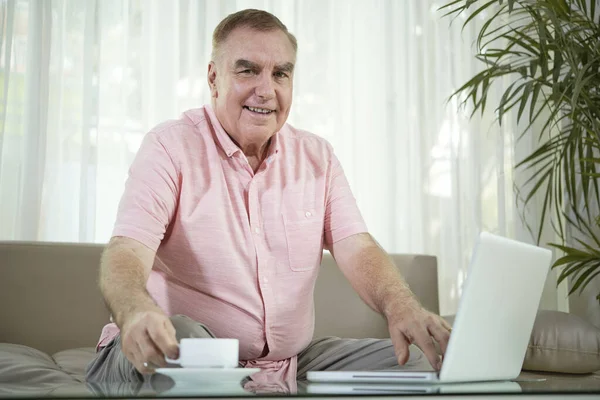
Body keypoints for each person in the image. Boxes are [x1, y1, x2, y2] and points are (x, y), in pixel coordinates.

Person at [86, 8, 451, 384]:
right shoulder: (169, 147)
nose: (267, 89)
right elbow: (127, 250)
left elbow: (357, 247)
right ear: (213, 78)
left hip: (287, 362)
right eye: (248, 70)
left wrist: (401, 306)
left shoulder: (317, 157)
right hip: (166, 350)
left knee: (420, 359)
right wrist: (136, 312)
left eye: (281, 73)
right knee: (189, 347)